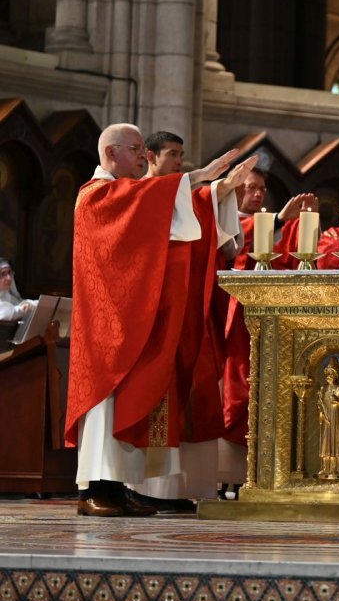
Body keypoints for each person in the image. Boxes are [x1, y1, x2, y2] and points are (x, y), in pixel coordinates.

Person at [66, 124, 253, 516]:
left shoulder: (127, 194)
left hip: (130, 319)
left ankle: (117, 489)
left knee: (133, 403)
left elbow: (160, 219)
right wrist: (199, 179)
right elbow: (147, 201)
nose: (141, 155)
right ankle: (94, 490)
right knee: (107, 407)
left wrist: (215, 191)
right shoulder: (95, 196)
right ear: (110, 153)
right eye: (134, 149)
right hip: (107, 330)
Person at [216, 168, 316, 496]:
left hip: (273, 319)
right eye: (250, 188)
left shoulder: (270, 222)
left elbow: (289, 259)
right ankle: (226, 474)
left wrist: (301, 224)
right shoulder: (225, 220)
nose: (258, 194)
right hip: (235, 319)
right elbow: (236, 251)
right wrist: (278, 220)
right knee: (239, 391)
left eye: (262, 188)